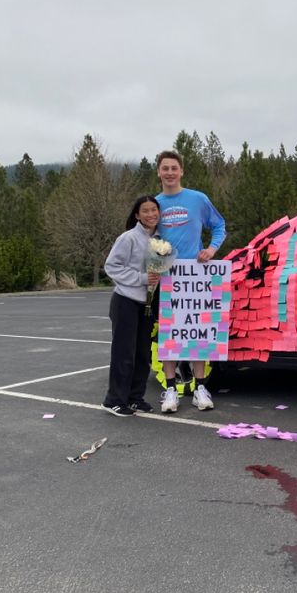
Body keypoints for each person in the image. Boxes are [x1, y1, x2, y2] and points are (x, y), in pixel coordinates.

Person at [155, 149, 226, 413]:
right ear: (159, 172)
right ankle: (171, 390)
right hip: (167, 278)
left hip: (197, 277)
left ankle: (200, 388)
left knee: (199, 334)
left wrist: (212, 249)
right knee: (170, 336)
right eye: (165, 168)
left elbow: (219, 225)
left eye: (174, 168)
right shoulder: (155, 204)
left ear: (181, 171)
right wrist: (154, 266)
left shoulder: (198, 199)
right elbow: (147, 238)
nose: (170, 173)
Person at [101, 195, 162, 417]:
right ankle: (114, 400)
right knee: (123, 353)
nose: (151, 214)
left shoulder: (160, 240)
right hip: (125, 301)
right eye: (145, 211)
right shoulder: (128, 238)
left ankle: (136, 398)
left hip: (147, 304)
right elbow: (112, 266)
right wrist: (143, 278)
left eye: (154, 210)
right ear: (137, 215)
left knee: (142, 354)